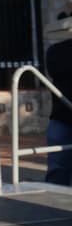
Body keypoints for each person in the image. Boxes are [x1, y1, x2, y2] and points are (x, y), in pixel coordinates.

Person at [45, 35, 72, 186]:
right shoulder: (58, 50)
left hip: (60, 121)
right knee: (57, 172)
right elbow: (55, 69)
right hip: (62, 119)